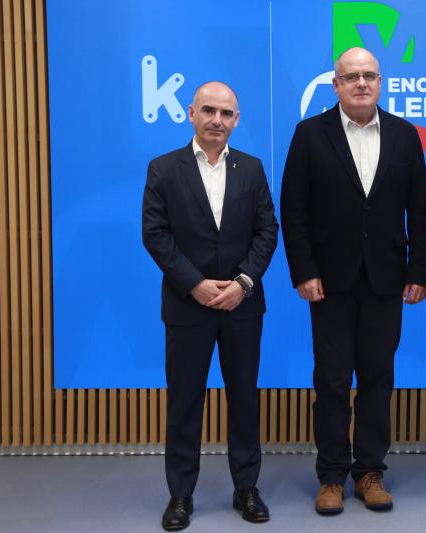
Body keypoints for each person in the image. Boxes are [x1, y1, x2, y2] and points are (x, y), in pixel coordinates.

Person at [280, 47, 426, 515]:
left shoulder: (405, 135)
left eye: (369, 75)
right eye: (351, 77)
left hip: (386, 279)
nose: (361, 83)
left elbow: (419, 209)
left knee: (378, 379)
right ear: (336, 85)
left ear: (380, 82)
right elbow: (294, 208)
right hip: (328, 282)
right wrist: (304, 270)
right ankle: (331, 475)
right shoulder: (310, 134)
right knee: (331, 380)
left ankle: (369, 472)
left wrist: (419, 269)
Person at [142, 81, 278, 530]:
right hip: (188, 307)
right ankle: (180, 495)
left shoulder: (252, 169)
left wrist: (243, 283)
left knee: (244, 400)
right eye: (209, 111)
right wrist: (195, 284)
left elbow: (267, 231)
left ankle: (247, 488)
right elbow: (155, 234)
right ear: (191, 113)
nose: (217, 120)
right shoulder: (164, 168)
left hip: (242, 307)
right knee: (184, 404)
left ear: (236, 120)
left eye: (226, 113)